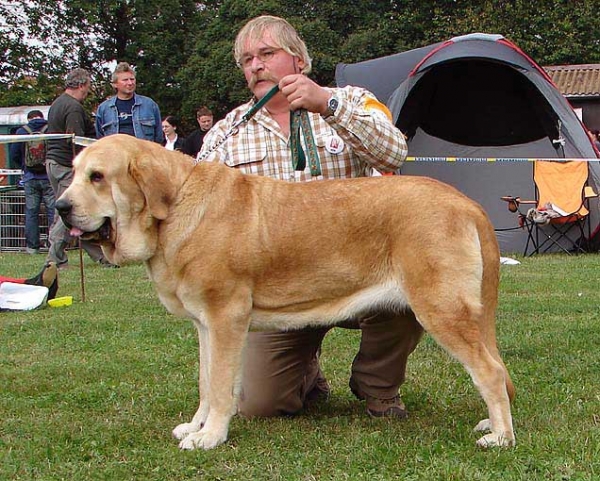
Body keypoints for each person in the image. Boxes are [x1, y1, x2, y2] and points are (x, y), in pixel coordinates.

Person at [198, 15, 423, 419]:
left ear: (299, 59)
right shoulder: (228, 131)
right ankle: (305, 373)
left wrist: (327, 105)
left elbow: (394, 154)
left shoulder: (350, 100)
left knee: (413, 284)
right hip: (280, 291)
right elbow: (194, 197)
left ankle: (378, 386)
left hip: (363, 273)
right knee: (261, 405)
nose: (255, 66)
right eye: (246, 60)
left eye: (267, 54)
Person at [46, 68, 114, 269]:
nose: (88, 91)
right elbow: (76, 140)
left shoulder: (57, 104)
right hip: (66, 164)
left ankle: (101, 256)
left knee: (76, 211)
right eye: (88, 87)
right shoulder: (73, 107)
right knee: (68, 212)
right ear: (82, 85)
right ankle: (54, 258)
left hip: (53, 162)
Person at [9, 110, 55, 255]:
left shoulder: (22, 131)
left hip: (29, 178)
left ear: (29, 119)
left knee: (31, 212)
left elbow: (13, 154)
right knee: (52, 211)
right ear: (42, 117)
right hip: (48, 177)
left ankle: (32, 247)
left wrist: (24, 167)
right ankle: (54, 244)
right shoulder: (51, 129)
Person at [95, 62, 164, 143]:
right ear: (115, 84)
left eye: (132, 79)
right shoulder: (104, 109)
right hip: (116, 154)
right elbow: (100, 139)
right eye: (125, 80)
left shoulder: (150, 105)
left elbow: (158, 138)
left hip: (143, 154)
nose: (130, 83)